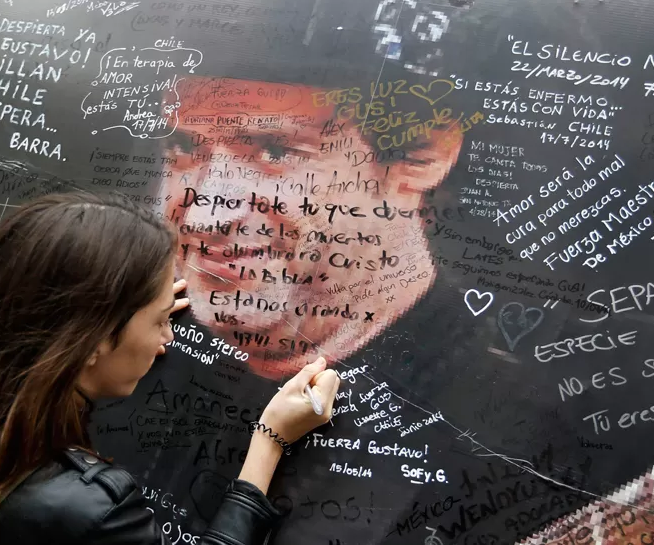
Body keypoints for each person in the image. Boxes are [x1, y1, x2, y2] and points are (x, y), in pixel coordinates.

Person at [0, 192, 342, 545]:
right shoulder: (86, 510)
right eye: (155, 321)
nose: (168, 336)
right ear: (90, 341)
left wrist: (132, 315)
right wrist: (270, 441)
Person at [155, 75, 466, 379]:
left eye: (276, 152)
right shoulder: (137, 349)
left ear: (422, 159)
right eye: (181, 149)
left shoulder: (483, 385)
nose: (204, 220)